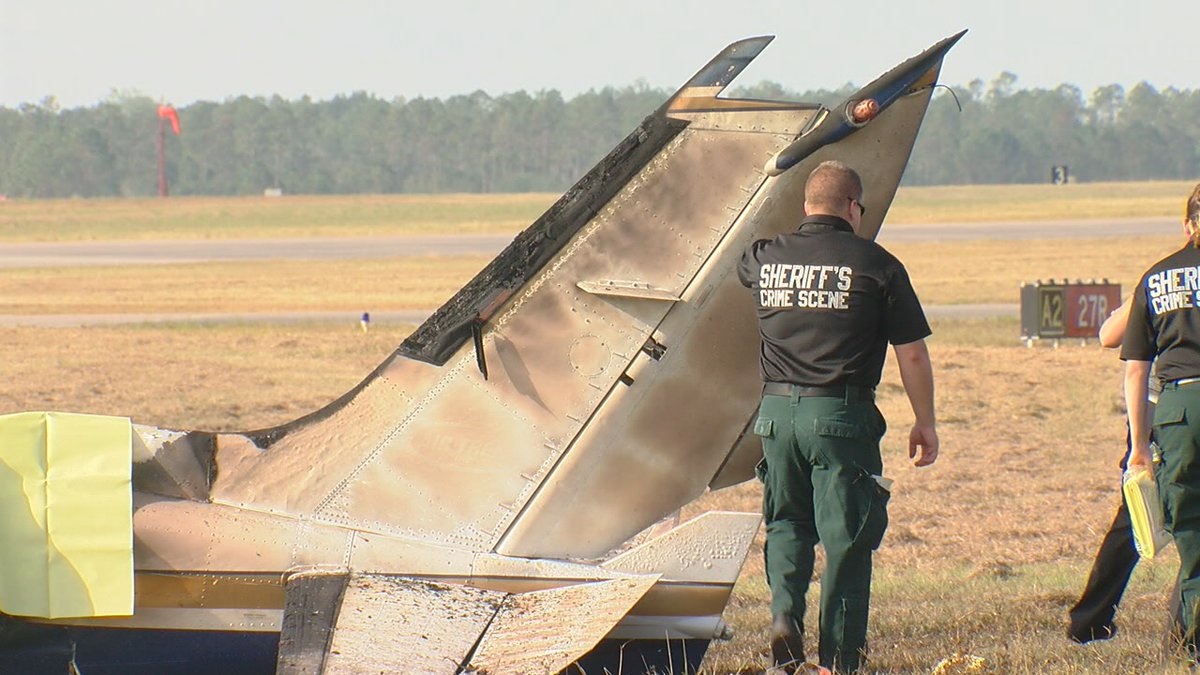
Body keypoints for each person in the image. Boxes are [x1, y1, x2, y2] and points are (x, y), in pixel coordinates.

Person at [737, 160, 939, 673]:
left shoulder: (765, 258)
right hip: (841, 415)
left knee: (786, 523)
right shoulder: (878, 265)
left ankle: (785, 619)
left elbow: (738, 256)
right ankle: (839, 660)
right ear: (853, 207)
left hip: (777, 413)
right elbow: (911, 352)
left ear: (806, 206)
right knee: (847, 538)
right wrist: (925, 421)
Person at [1121, 182, 1200, 659]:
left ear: (1187, 225)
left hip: (1177, 411)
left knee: (1191, 534)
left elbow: (1136, 369)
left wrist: (1139, 445)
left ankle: (1194, 650)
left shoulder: (1155, 279)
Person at [1067, 295, 1157, 643]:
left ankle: (1089, 620)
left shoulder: (1158, 278)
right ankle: (1089, 619)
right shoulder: (1158, 280)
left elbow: (1108, 335)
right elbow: (1109, 336)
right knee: (1137, 516)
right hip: (1159, 411)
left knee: (1132, 519)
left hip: (1150, 411)